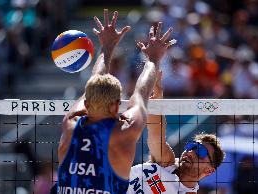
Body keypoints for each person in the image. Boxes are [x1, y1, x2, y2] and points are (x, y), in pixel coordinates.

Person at [52, 9, 175, 194]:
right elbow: (141, 93)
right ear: (117, 106)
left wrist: (107, 47)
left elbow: (95, 80)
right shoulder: (125, 131)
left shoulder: (70, 124)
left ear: (86, 104)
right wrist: (153, 59)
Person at [127, 71, 226, 193]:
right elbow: (156, 133)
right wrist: (157, 98)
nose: (190, 153)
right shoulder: (167, 162)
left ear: (209, 170)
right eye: (191, 146)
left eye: (200, 152)